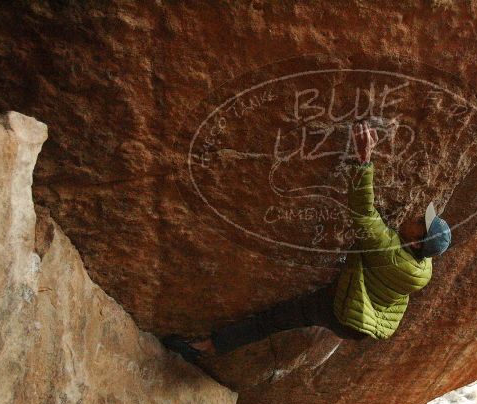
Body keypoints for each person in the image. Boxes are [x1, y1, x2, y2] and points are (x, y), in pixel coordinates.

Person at [163, 121, 452, 360]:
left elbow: (363, 213)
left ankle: (205, 347)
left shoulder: (387, 250)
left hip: (341, 312)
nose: (415, 216)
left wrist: (364, 161)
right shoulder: (424, 269)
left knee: (273, 319)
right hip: (364, 325)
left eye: (419, 224)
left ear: (416, 244)